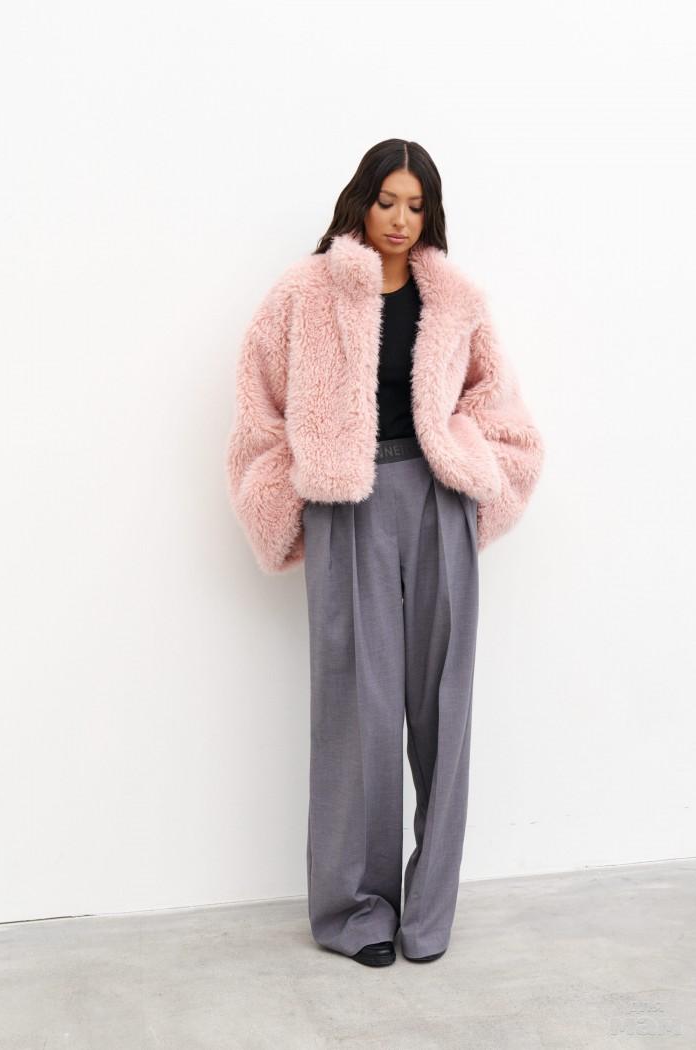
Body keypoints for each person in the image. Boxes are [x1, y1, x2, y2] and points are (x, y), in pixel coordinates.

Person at [224, 139, 545, 968]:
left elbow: (497, 402)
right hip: (348, 504)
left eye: (416, 204)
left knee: (444, 707)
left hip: (437, 501)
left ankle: (429, 911)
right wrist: (287, 488)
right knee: (354, 710)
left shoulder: (456, 299)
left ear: (430, 213)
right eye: (387, 200)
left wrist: (478, 468)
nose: (400, 219)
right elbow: (259, 405)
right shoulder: (306, 292)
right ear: (361, 201)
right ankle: (356, 911)